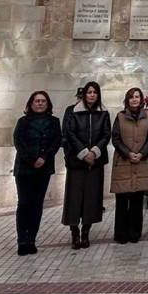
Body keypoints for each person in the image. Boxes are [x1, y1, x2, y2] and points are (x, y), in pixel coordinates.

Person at [11, 91, 61, 255]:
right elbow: (19, 142)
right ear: (31, 104)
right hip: (25, 168)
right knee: (24, 204)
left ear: (48, 104)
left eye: (43, 101)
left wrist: (43, 158)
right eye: (37, 101)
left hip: (43, 168)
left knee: (37, 204)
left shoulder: (54, 122)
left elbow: (56, 142)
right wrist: (33, 159)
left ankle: (31, 239)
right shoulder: (23, 121)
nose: (40, 103)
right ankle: (22, 240)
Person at [62, 82, 111, 249]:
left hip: (95, 162)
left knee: (91, 199)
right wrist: (83, 153)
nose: (92, 95)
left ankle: (86, 232)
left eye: (94, 92)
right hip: (77, 162)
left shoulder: (103, 113)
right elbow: (69, 133)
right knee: (74, 199)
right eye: (89, 92)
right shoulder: (74, 112)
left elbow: (106, 134)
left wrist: (94, 152)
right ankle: (74, 232)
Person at [110, 87, 148, 244]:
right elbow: (115, 138)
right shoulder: (120, 117)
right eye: (131, 97)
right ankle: (121, 234)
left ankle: (135, 233)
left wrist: (142, 153)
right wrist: (128, 153)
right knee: (122, 201)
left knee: (136, 200)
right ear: (127, 100)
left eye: (137, 97)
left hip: (141, 162)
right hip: (124, 162)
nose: (134, 99)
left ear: (141, 100)